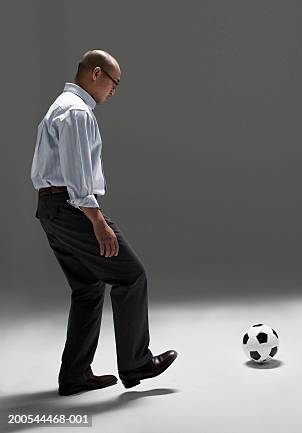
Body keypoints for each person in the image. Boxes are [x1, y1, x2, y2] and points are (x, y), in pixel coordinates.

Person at [31, 50, 177, 396]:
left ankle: (75, 375)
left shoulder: (62, 105)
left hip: (50, 208)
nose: (114, 90)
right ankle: (135, 362)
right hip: (70, 206)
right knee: (131, 275)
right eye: (114, 83)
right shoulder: (76, 112)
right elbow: (77, 171)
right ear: (96, 74)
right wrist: (97, 219)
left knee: (88, 288)